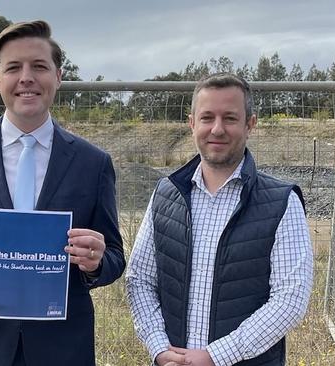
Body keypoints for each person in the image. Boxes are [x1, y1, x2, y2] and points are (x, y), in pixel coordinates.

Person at [0, 20, 125, 366]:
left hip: (62, 349)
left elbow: (114, 255)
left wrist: (97, 262)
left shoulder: (94, 163)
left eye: (39, 66)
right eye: (14, 67)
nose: (26, 77)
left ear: (58, 76)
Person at [126, 73, 314, 366]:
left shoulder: (281, 202)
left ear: (250, 124)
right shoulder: (166, 194)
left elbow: (289, 300)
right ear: (191, 123)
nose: (217, 129)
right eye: (206, 118)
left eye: (229, 118)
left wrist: (216, 356)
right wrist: (160, 348)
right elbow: (140, 280)